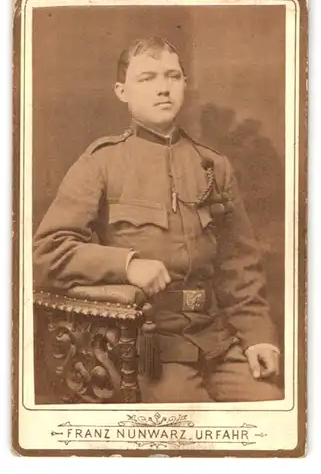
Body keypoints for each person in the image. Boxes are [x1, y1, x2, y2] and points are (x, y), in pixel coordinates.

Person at [33, 36, 283, 403]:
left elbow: (239, 265)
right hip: (147, 349)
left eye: (173, 76)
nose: (163, 88)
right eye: (147, 78)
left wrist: (258, 335)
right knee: (189, 433)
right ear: (122, 91)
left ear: (185, 84)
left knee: (270, 408)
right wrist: (127, 265)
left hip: (217, 340)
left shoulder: (213, 165)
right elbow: (47, 252)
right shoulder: (100, 164)